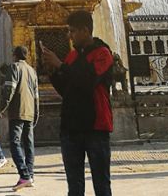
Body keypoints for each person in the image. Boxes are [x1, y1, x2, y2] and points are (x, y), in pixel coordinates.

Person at [42, 10, 114, 196]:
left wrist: (61, 66)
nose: (69, 35)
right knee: (74, 186)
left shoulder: (103, 54)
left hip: (95, 127)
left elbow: (88, 81)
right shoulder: (72, 57)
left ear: (85, 30)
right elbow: (67, 90)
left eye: (72, 31)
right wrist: (53, 72)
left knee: (101, 184)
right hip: (71, 127)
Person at [0, 45, 39, 191]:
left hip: (17, 111)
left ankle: (24, 174)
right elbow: (36, 96)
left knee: (15, 142)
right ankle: (30, 175)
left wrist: (2, 107)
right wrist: (36, 113)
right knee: (29, 144)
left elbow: (9, 89)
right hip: (29, 111)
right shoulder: (32, 71)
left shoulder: (14, 67)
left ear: (15, 55)